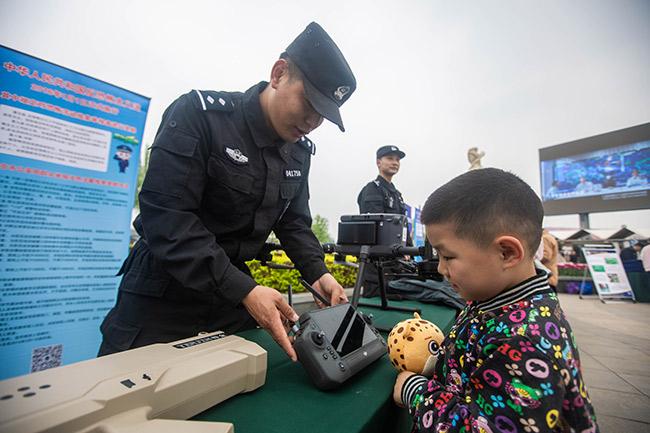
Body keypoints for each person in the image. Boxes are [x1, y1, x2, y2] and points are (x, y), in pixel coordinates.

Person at [98, 22, 356, 361]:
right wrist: (245, 290)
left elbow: (294, 223)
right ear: (278, 74)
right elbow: (167, 216)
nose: (311, 122)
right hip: (162, 295)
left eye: (322, 115)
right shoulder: (200, 116)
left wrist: (318, 273)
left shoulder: (298, 151)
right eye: (308, 104)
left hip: (231, 298)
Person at [393, 168, 598, 432]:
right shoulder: (493, 298)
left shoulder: (524, 341)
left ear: (506, 253)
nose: (441, 269)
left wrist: (416, 393)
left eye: (448, 257)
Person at [357, 145, 409, 297]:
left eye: (398, 160)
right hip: (378, 266)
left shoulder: (397, 194)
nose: (395, 162)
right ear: (378, 162)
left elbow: (403, 226)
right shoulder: (372, 189)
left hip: (396, 264)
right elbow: (376, 226)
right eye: (390, 158)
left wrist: (408, 250)